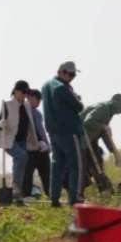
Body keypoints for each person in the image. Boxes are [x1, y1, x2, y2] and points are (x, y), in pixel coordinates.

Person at [41, 61, 85, 207]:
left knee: (57, 164)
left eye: (74, 75)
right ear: (60, 71)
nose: (71, 77)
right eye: (69, 74)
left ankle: (54, 198)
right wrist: (78, 99)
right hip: (69, 130)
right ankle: (75, 198)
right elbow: (78, 107)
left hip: (53, 131)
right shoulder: (63, 88)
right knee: (75, 165)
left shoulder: (46, 85)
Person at [0, 81, 41, 205]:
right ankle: (15, 189)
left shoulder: (26, 106)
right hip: (9, 140)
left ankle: (16, 193)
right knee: (21, 156)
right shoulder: (7, 105)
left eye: (26, 93)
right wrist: (1, 124)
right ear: (16, 91)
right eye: (23, 92)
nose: (25, 95)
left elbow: (31, 124)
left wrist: (39, 140)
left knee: (20, 164)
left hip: (22, 140)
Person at [80, 94, 121, 193]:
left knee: (98, 163)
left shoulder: (109, 113)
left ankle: (105, 189)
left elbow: (104, 134)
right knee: (89, 165)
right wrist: (103, 126)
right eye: (120, 111)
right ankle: (102, 189)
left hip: (91, 139)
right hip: (81, 138)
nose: (118, 113)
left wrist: (115, 153)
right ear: (117, 107)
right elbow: (88, 121)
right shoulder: (103, 108)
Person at [21, 89, 51, 199]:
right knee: (27, 173)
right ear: (31, 97)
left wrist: (47, 144)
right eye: (38, 100)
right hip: (29, 149)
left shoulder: (38, 114)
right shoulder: (22, 110)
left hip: (42, 150)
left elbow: (41, 130)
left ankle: (52, 194)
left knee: (47, 172)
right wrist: (37, 141)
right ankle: (26, 195)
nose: (39, 103)